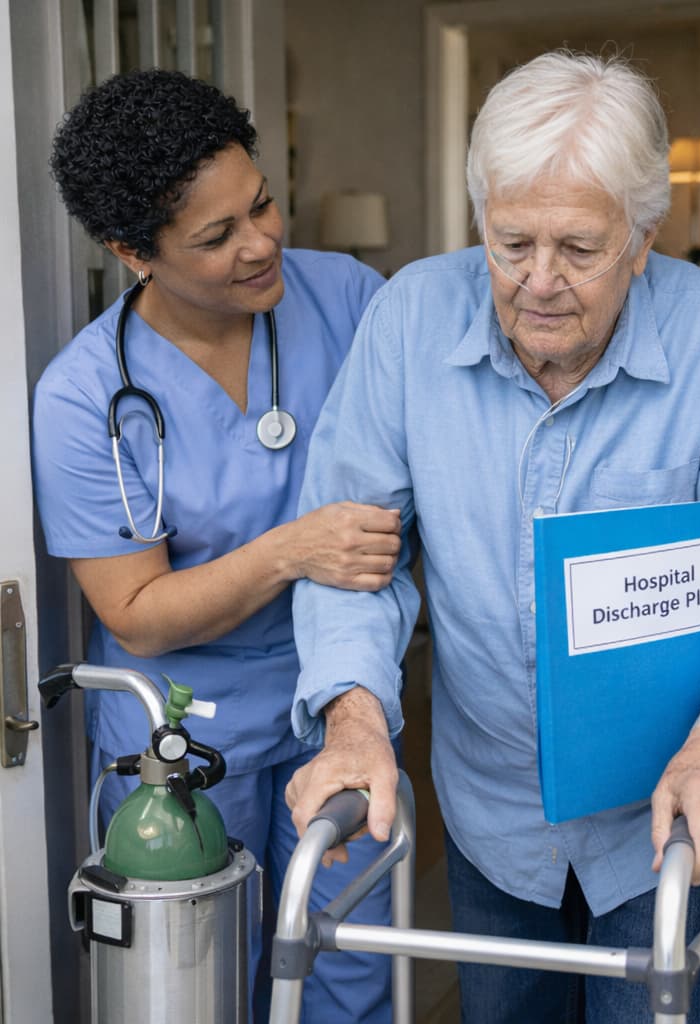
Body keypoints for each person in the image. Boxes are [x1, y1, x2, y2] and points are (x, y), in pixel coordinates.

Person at [285, 50, 700, 1023]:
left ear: (643, 236)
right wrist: (355, 718)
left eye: (579, 250)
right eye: (510, 244)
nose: (539, 282)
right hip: (491, 809)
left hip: (671, 809)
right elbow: (350, 559)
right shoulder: (409, 318)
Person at [32, 68, 399, 1023]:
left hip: (339, 703)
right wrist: (293, 550)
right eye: (217, 236)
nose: (263, 242)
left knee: (348, 971)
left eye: (263, 205)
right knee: (194, 989)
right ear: (131, 252)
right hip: (188, 735)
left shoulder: (351, 300)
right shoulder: (84, 400)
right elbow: (138, 616)